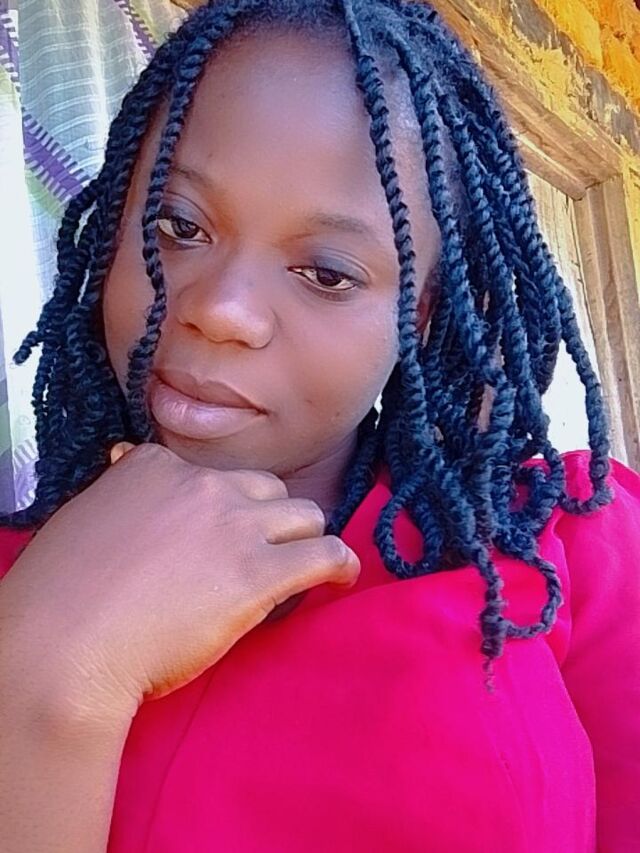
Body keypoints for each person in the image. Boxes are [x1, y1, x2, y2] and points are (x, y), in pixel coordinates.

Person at [0, 0, 638, 850]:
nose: (221, 309)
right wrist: (46, 671)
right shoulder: (20, 578)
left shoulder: (567, 548)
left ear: (421, 314)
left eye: (327, 273)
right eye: (179, 225)